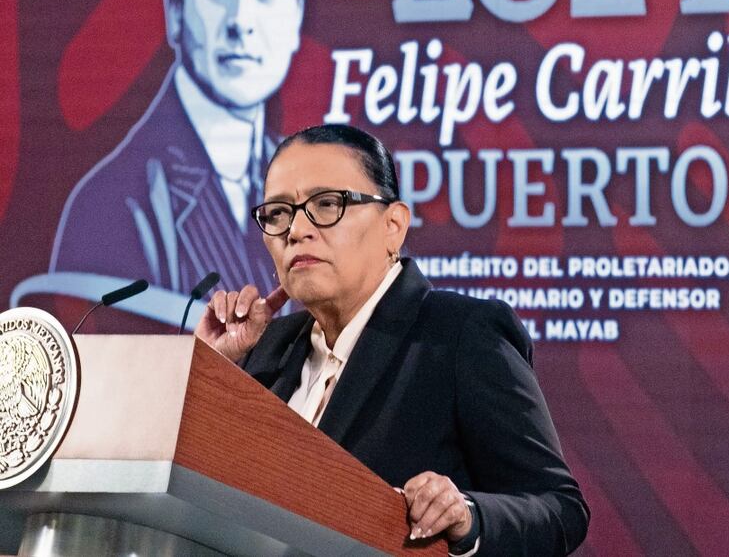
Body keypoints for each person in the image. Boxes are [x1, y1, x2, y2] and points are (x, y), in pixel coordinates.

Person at [194, 124, 589, 556]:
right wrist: (212, 369)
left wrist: (468, 516)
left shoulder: (459, 334)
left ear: (393, 226)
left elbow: (559, 508)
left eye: (327, 204)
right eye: (278, 213)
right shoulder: (268, 349)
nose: (296, 231)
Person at [49, 0, 306, 305]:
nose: (240, 19)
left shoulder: (300, 187)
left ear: (295, 14)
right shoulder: (114, 208)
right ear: (176, 11)